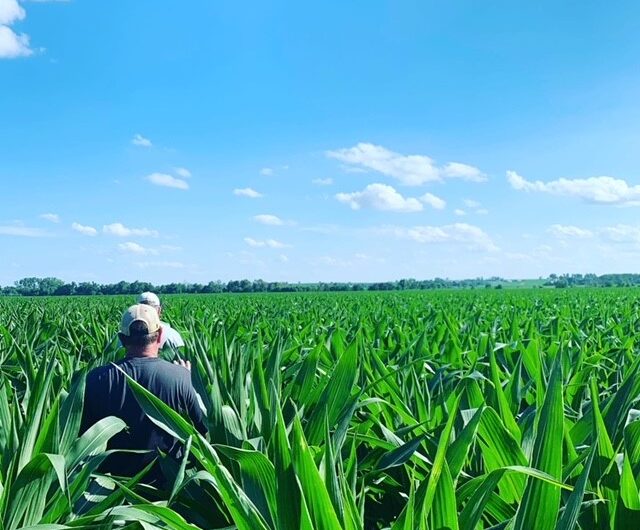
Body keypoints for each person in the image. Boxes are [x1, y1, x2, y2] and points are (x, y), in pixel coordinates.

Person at [81, 303, 206, 484]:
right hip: (166, 489)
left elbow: (82, 438)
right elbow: (202, 430)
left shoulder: (94, 379)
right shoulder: (181, 378)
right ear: (160, 335)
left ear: (122, 339)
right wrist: (188, 380)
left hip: (108, 490)